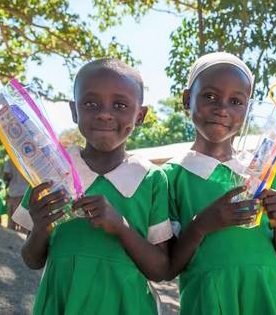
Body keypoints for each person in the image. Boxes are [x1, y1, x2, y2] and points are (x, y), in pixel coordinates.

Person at [12, 58, 172, 315]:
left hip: (127, 306)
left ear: (140, 115)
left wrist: (121, 227)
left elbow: (161, 270)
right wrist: (41, 227)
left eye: (120, 105)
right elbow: (31, 260)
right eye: (90, 103)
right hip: (61, 303)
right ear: (74, 111)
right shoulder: (50, 172)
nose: (105, 113)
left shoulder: (151, 179)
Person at [163, 52, 276, 315]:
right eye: (210, 96)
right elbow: (170, 267)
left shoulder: (262, 171)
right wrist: (201, 225)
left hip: (268, 298)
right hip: (209, 301)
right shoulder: (171, 176)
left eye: (236, 101)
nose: (222, 108)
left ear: (247, 110)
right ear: (186, 99)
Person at [3, 159, 28, 230]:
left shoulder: (9, 161)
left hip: (14, 194)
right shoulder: (25, 160)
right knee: (24, 223)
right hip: (25, 194)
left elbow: (6, 177)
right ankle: (24, 239)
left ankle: (12, 239)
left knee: (12, 223)